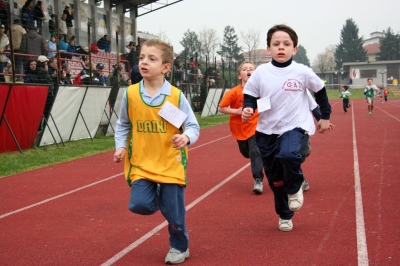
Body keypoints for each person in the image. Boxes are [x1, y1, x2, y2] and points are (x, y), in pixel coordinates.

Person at [113, 39, 200, 265]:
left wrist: (186, 137)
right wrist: (120, 146)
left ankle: (179, 247)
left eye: (152, 59)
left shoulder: (174, 97)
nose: (144, 62)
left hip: (170, 163)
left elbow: (192, 126)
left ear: (165, 68)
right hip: (141, 163)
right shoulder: (131, 94)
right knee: (139, 205)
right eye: (142, 57)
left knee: (174, 214)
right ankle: (163, 197)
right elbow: (123, 124)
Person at [242, 24, 332, 232]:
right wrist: (248, 108)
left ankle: (295, 186)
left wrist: (324, 117)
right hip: (266, 131)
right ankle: (284, 214)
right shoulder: (261, 73)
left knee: (289, 155)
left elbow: (319, 91)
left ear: (295, 49)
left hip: (295, 126)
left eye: (286, 44)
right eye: (276, 44)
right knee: (275, 180)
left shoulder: (301, 71)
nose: (281, 48)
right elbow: (250, 96)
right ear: (268, 48)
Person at [218, 61, 265, 194]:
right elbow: (221, 108)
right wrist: (237, 111)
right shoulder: (233, 92)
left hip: (257, 127)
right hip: (240, 129)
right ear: (240, 75)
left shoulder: (262, 91)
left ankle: (258, 180)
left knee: (256, 151)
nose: (248, 70)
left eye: (251, 68)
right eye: (245, 69)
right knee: (247, 153)